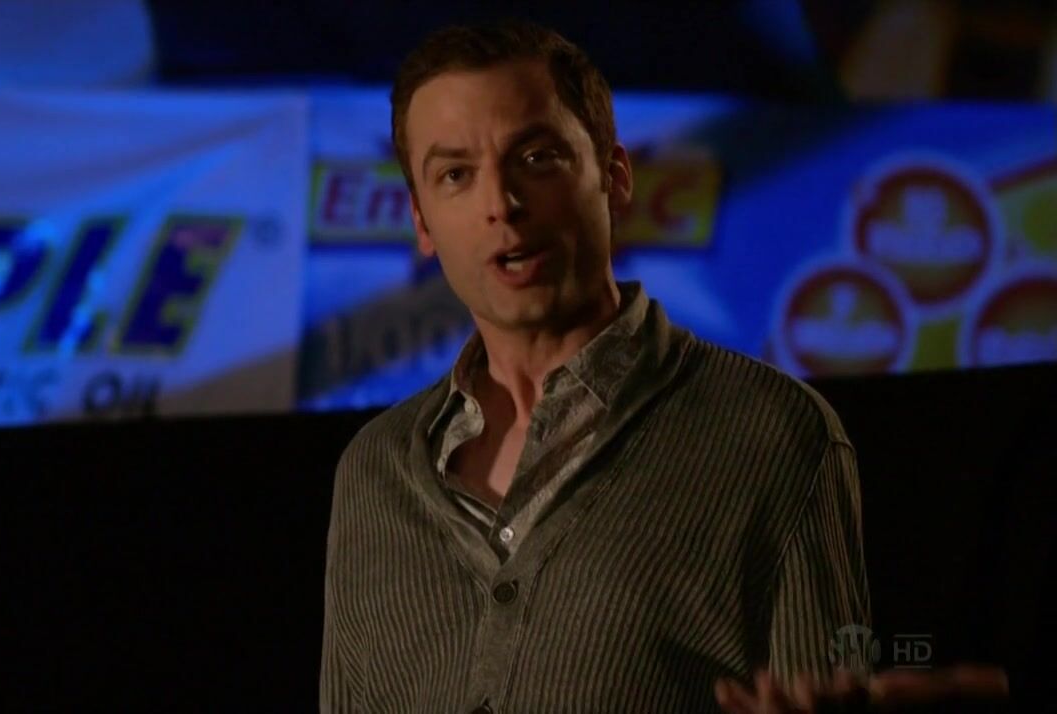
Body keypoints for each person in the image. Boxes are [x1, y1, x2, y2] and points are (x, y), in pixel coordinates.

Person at [320, 20, 868, 712]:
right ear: (422, 222)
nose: (501, 205)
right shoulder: (372, 473)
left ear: (614, 175)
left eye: (536, 157)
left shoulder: (775, 433)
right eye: (456, 174)